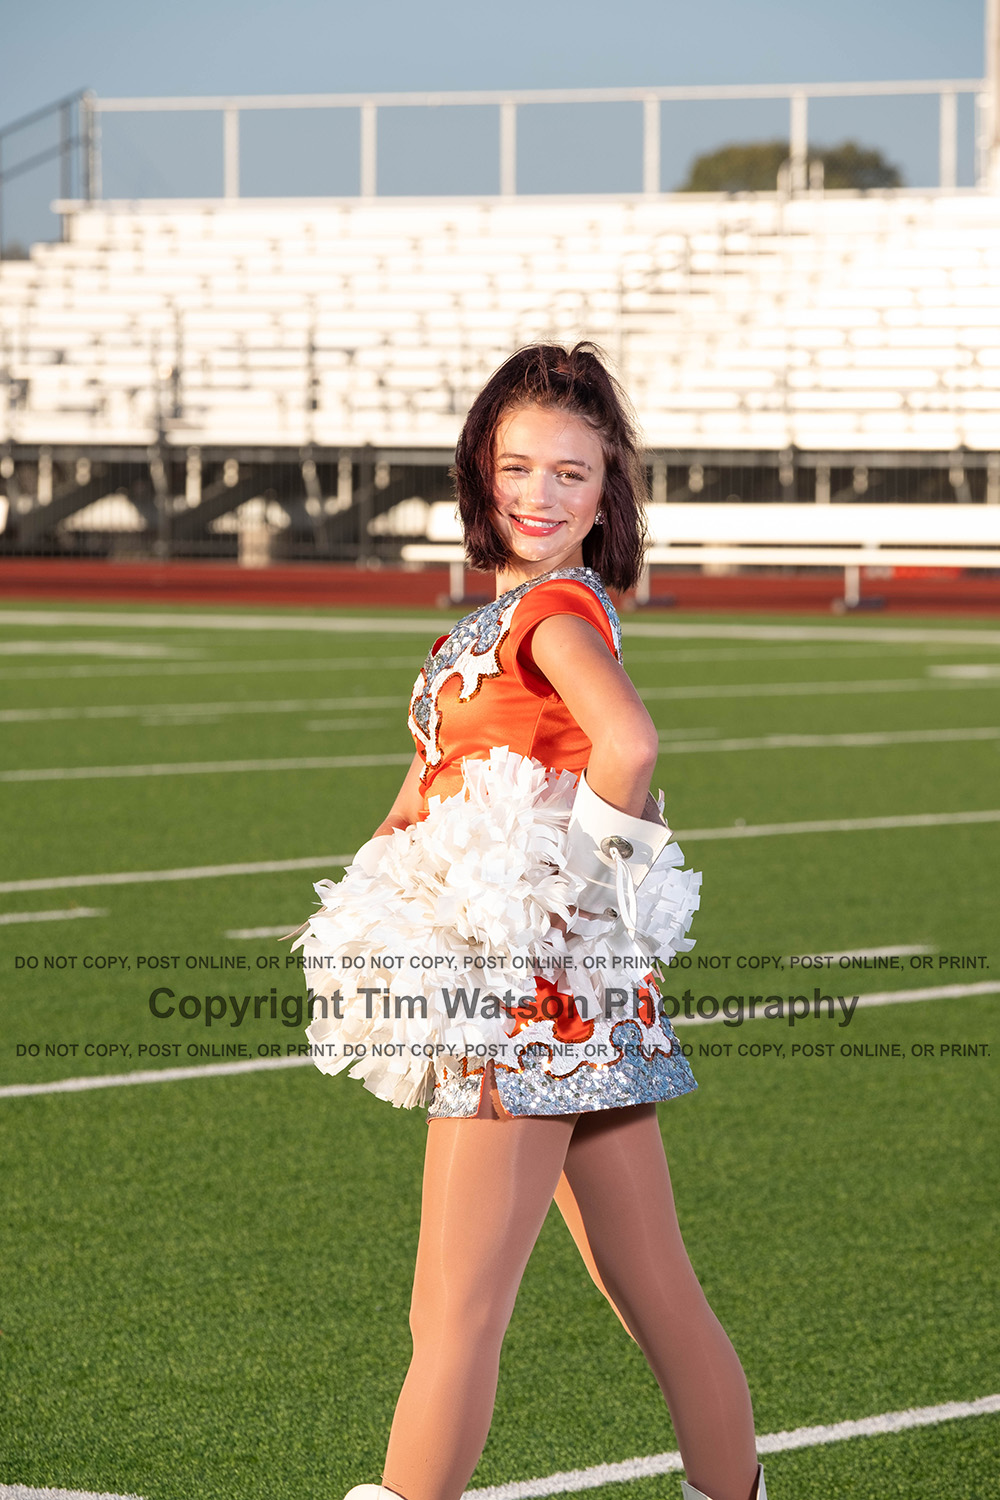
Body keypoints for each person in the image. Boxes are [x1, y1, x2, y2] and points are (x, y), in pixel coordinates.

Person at [299, 344, 765, 1500]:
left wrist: (578, 905)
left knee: (451, 1313)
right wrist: (372, 901)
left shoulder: (552, 609)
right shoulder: (504, 614)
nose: (540, 496)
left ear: (607, 496)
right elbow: (428, 790)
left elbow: (631, 746)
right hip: (572, 997)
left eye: (571, 474)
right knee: (652, 1289)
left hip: (524, 1001)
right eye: (517, 468)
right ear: (480, 470)